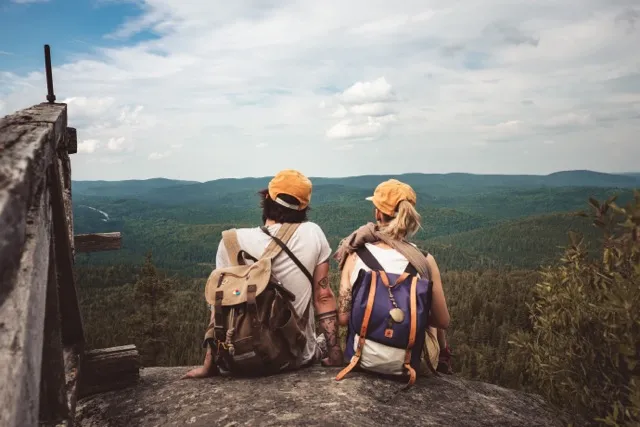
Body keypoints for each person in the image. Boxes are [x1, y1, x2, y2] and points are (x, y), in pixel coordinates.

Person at [183, 169, 343, 379]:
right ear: (303, 208)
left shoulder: (230, 241)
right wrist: (335, 354)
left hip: (238, 359)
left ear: (266, 197)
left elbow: (219, 307)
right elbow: (323, 296)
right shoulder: (313, 233)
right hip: (295, 358)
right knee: (317, 342)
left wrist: (209, 365)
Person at [334, 178, 453, 375]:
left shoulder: (354, 256)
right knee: (428, 312)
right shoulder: (425, 260)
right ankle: (444, 357)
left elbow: (344, 318)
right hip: (408, 363)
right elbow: (443, 321)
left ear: (377, 213)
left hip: (361, 357)